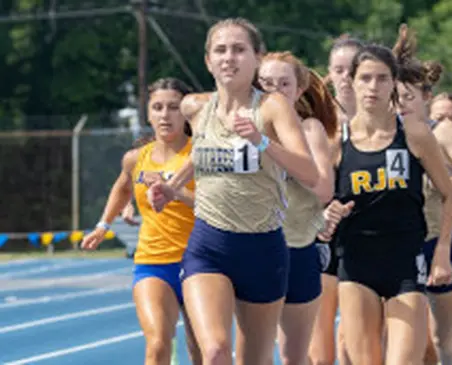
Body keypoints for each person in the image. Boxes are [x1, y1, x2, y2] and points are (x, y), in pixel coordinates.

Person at [147, 17, 319, 365]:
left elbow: (309, 172)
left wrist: (262, 141)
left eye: (239, 50)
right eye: (220, 50)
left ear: (257, 58)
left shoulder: (271, 107)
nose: (229, 58)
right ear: (208, 60)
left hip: (263, 247)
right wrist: (172, 186)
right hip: (209, 245)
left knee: (254, 359)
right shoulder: (195, 107)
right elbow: (203, 151)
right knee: (214, 352)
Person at [319, 42, 452, 365]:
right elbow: (316, 200)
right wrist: (326, 215)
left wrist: (442, 251)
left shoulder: (413, 134)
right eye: (365, 78)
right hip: (355, 265)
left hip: (406, 263)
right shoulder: (336, 141)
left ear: (394, 83)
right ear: (351, 82)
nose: (373, 87)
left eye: (382, 79)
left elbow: (449, 193)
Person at [81, 77, 201, 365]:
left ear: (185, 112)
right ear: (147, 113)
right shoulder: (136, 159)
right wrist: (103, 224)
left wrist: (172, 190)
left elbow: (215, 206)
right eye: (157, 107)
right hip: (154, 263)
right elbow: (122, 187)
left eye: (173, 107)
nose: (164, 114)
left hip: (201, 262)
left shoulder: (201, 153)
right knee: (158, 343)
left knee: (207, 351)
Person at [391, 24, 452, 365]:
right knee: (402, 340)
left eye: (408, 97)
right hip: (396, 243)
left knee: (443, 339)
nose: (400, 104)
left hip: (439, 242)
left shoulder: (443, 131)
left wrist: (434, 182)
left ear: (426, 98)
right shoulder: (385, 134)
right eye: (395, 97)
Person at [233, 51, 337, 365]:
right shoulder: (241, 127)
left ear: (299, 89)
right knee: (251, 355)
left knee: (294, 357)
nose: (274, 92)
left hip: (296, 248)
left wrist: (274, 152)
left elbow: (324, 189)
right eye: (265, 84)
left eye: (284, 84)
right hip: (253, 248)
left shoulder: (310, 130)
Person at [310, 34, 364, 365]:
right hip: (323, 239)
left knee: (353, 344)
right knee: (320, 350)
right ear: (329, 74)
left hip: (368, 239)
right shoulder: (316, 126)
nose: (346, 77)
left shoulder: (388, 126)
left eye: (353, 69)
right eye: (339, 70)